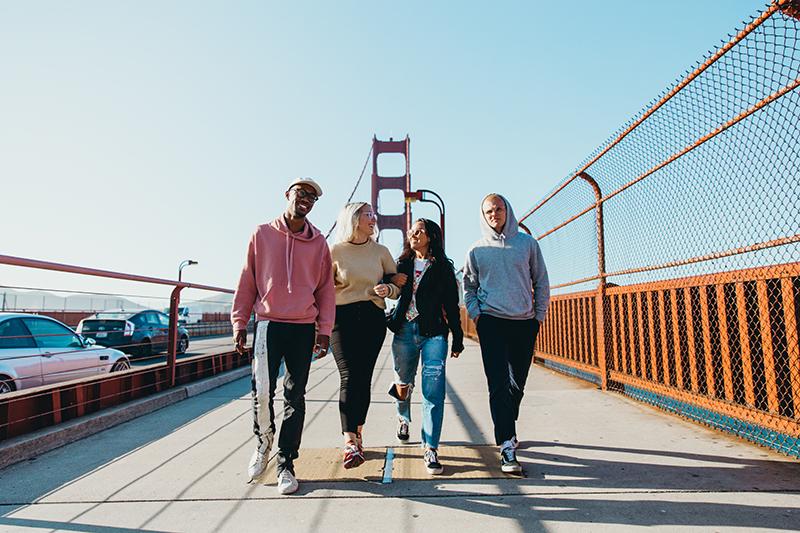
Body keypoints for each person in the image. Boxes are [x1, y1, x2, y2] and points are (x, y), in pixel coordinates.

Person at [231, 178, 335, 495]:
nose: (306, 200)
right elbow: (247, 279)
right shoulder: (262, 234)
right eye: (301, 194)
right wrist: (239, 321)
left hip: (303, 327)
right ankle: (264, 444)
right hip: (268, 324)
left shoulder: (319, 244)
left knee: (295, 396)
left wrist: (325, 330)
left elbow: (326, 290)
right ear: (287, 195)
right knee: (262, 391)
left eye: (313, 198)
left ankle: (286, 462)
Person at [462, 193, 550, 474]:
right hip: (492, 323)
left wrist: (538, 316)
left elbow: (542, 280)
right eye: (489, 211)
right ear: (483, 215)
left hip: (524, 322)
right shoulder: (476, 250)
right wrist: (477, 315)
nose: (494, 215)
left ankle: (507, 426)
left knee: (517, 384)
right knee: (498, 383)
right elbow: (469, 287)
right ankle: (506, 446)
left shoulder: (527, 244)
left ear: (507, 210)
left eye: (498, 209)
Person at [387, 218, 464, 475]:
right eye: (411, 231)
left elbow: (452, 305)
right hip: (405, 332)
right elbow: (389, 291)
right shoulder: (401, 265)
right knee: (403, 384)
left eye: (419, 231)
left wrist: (458, 337)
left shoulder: (443, 268)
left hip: (434, 335)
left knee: (433, 391)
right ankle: (403, 417)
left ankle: (430, 447)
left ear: (431, 236)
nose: (413, 234)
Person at [329, 202, 400, 468]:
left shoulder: (381, 251)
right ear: (354, 218)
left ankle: (358, 434)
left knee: (363, 378)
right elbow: (322, 288)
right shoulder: (334, 251)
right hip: (342, 319)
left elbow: (396, 284)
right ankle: (349, 441)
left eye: (373, 214)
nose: (374, 218)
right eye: (368, 214)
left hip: (372, 318)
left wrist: (388, 291)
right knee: (348, 376)